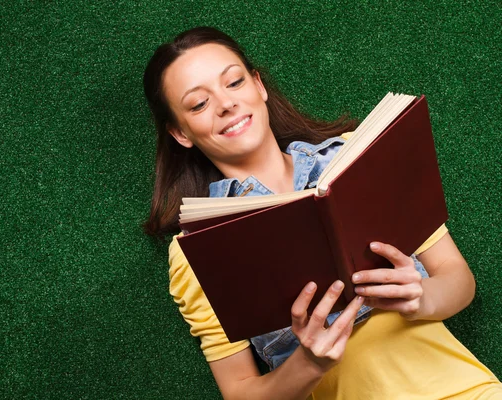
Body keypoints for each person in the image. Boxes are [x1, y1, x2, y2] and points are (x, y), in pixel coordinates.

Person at [143, 27, 502, 399]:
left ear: (258, 86)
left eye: (233, 82)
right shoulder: (196, 248)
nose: (225, 104)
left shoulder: (357, 156)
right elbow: (241, 393)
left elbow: (459, 279)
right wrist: (310, 363)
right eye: (198, 104)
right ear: (181, 133)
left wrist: (421, 297)